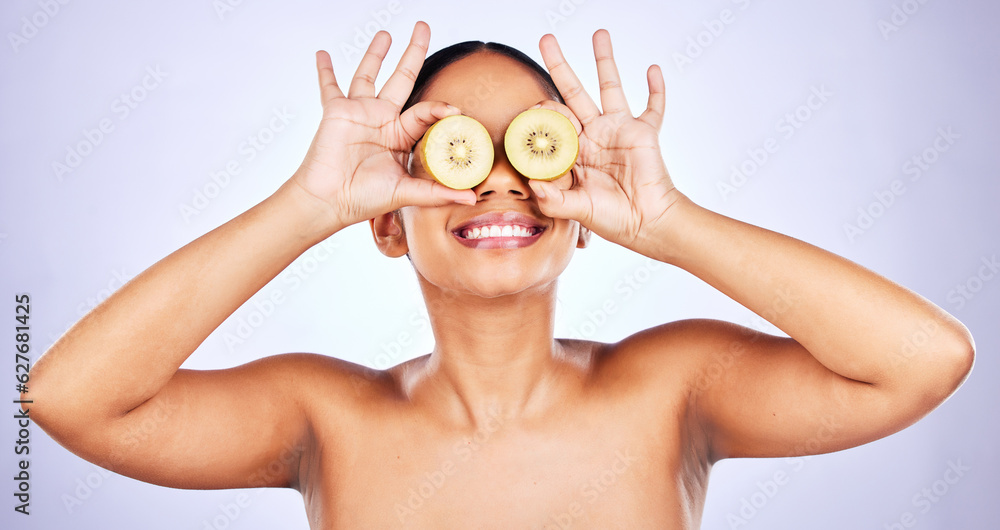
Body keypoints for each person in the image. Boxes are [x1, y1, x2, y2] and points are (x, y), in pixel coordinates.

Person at [24, 20, 974, 529]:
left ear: (584, 213)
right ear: (388, 226)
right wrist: (305, 208)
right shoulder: (325, 418)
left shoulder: (672, 391)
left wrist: (673, 223)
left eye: (533, 147)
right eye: (451, 151)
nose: (500, 178)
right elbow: (69, 400)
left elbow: (923, 360)